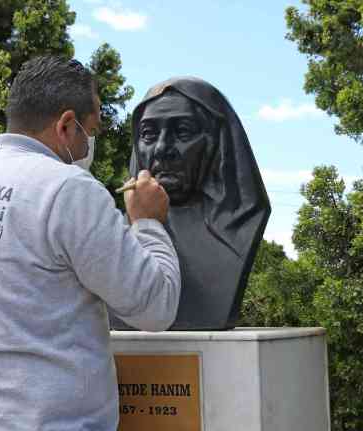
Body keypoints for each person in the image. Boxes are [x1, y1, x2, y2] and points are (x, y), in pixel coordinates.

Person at [0, 56, 181, 431]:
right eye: (89, 130)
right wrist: (147, 222)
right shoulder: (69, 191)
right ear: (65, 125)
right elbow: (155, 306)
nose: (89, 145)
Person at [112, 77, 270, 330]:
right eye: (148, 134)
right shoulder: (111, 237)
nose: (162, 149)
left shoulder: (239, 226)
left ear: (218, 142)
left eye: (183, 132)